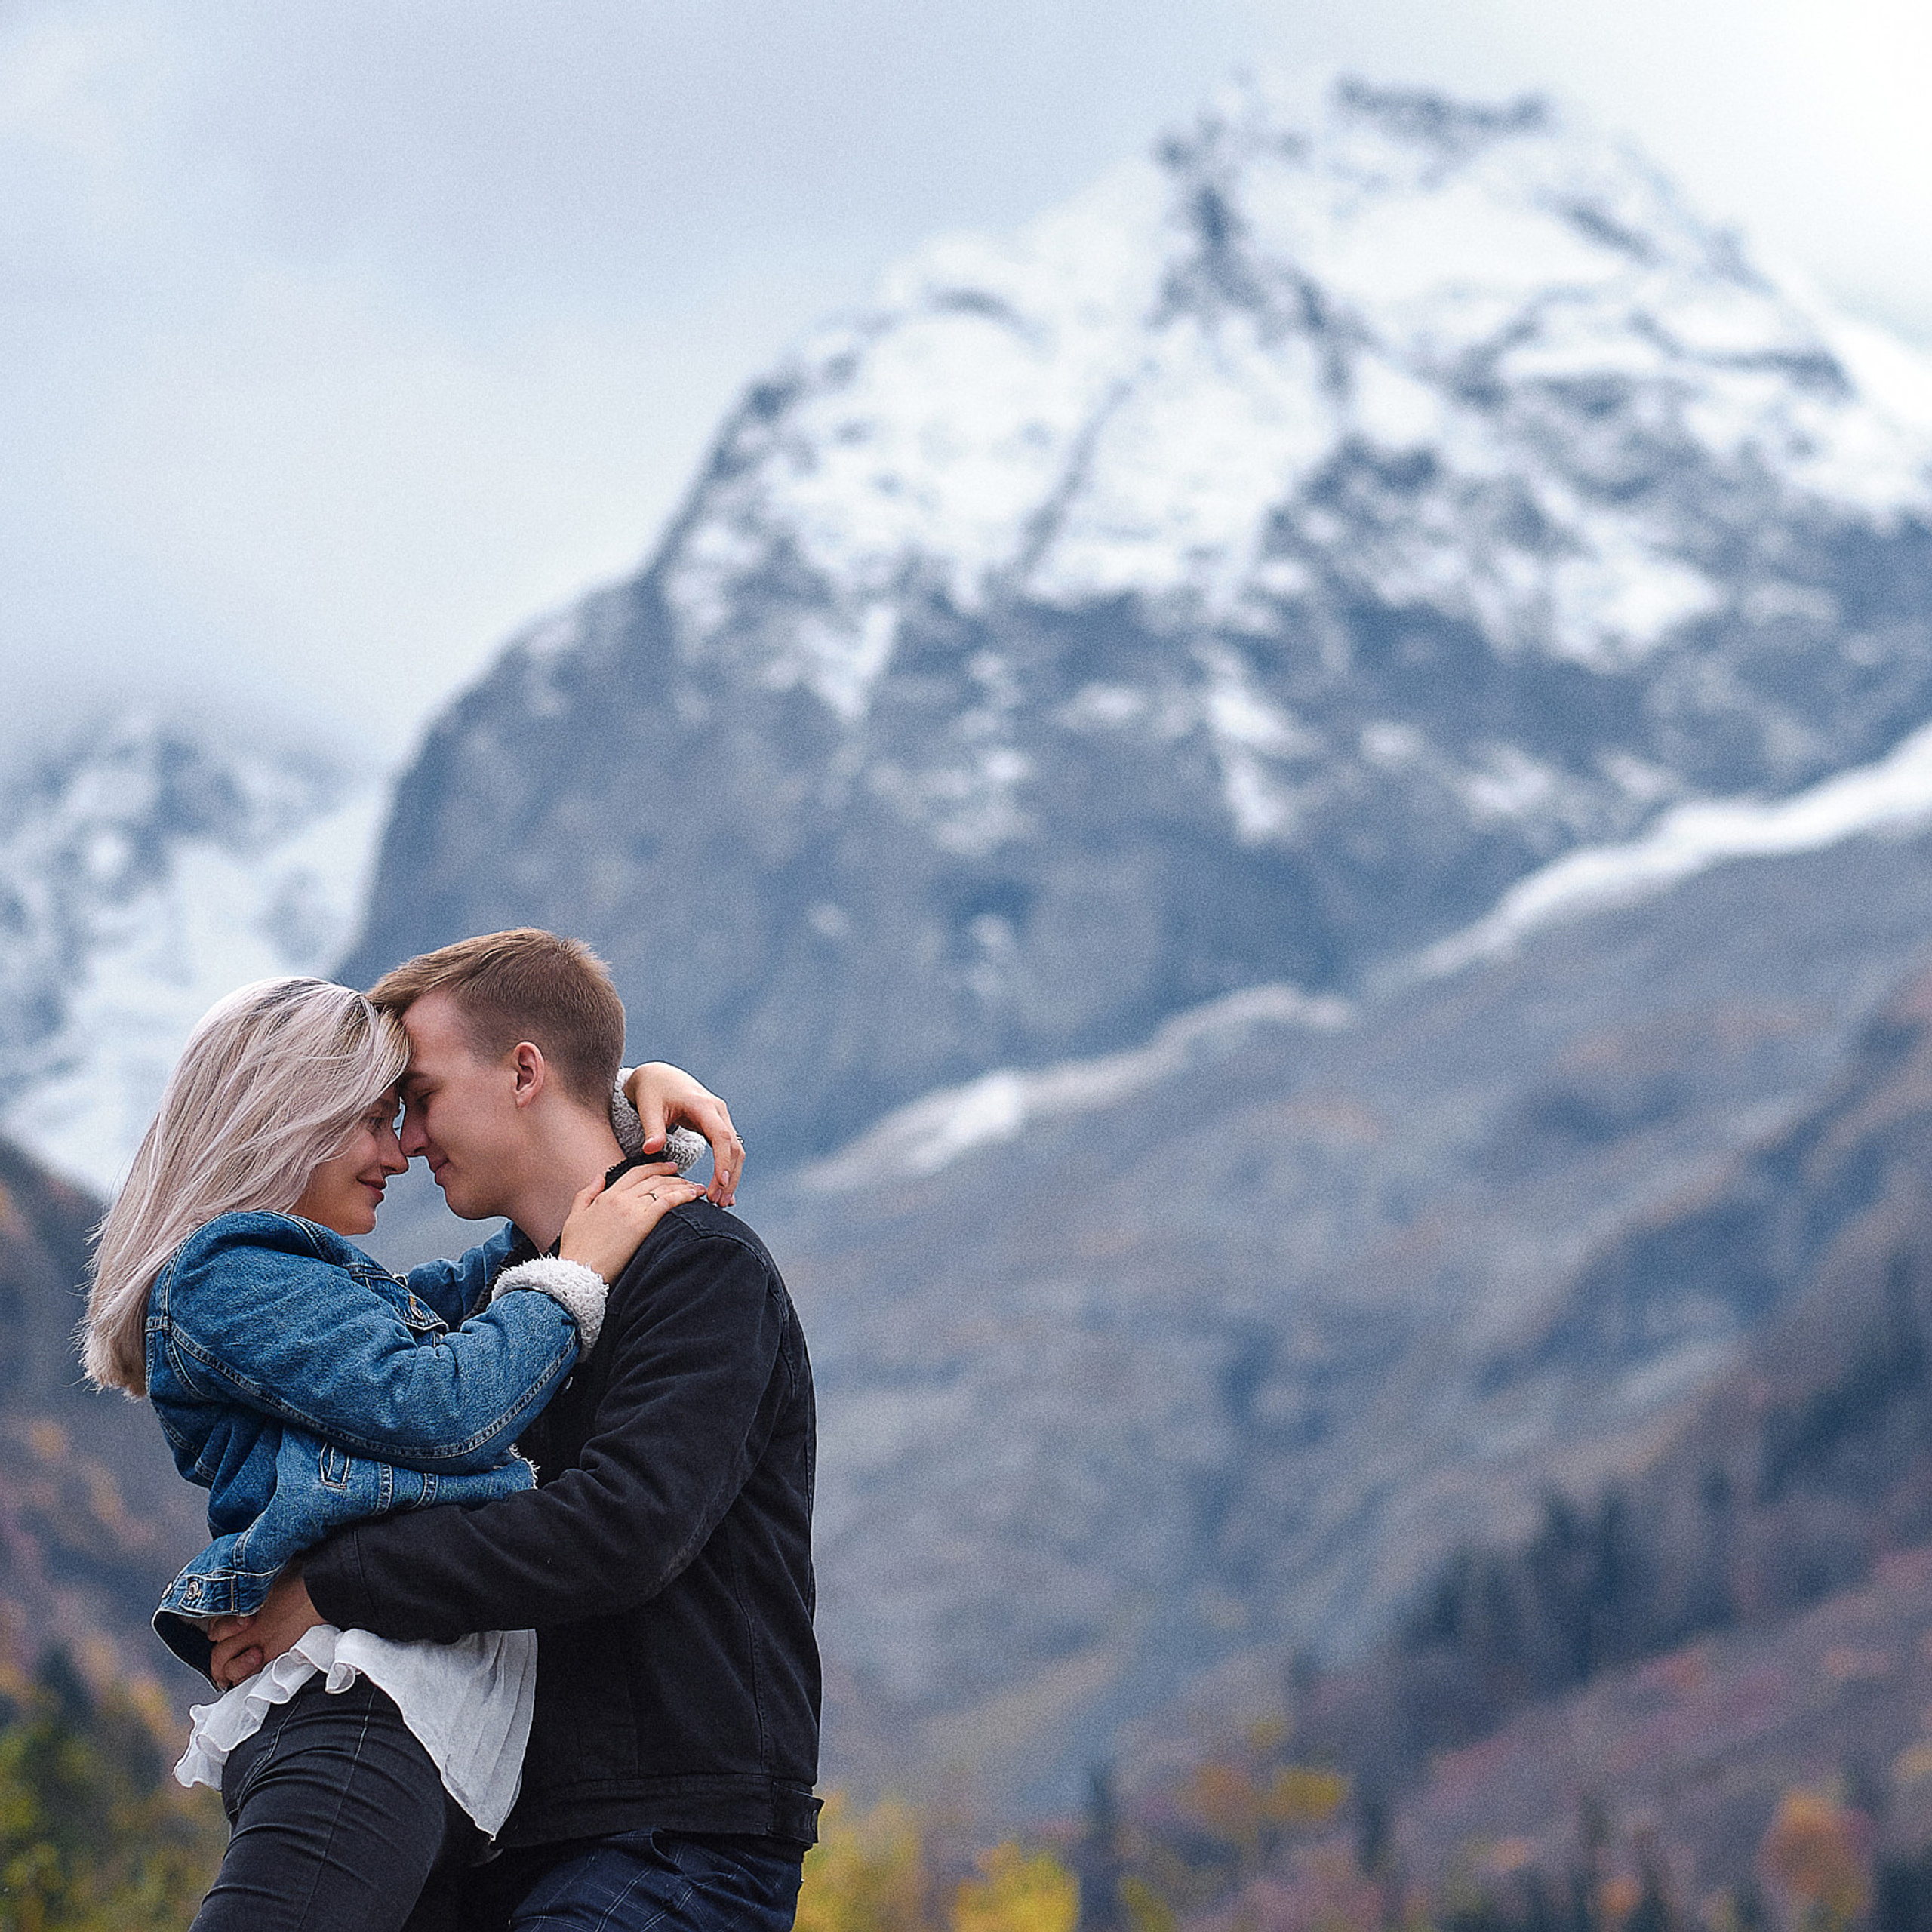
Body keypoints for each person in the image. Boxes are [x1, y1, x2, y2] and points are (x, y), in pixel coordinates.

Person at [81, 972, 736, 1930]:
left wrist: (619, 1099)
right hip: (360, 1711)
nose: (400, 1149)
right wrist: (575, 1275)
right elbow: (450, 1401)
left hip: (425, 1740)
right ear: (284, 1118)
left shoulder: (327, 1295)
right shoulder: (226, 1275)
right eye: (373, 1120)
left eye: (409, 1112)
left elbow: (529, 1249)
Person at [208, 928, 821, 1932]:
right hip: (509, 1843)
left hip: (676, 1848)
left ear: (525, 1071)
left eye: (423, 1096)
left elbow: (625, 1529)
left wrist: (330, 1588)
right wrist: (628, 1095)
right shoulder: (502, 1310)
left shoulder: (702, 1269)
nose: (405, 1142)